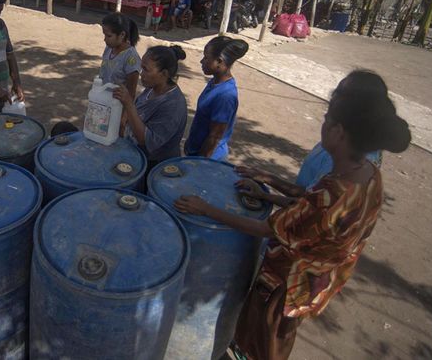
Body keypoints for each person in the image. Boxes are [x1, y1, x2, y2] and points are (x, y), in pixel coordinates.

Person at [174, 70, 411, 360]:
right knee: (274, 334)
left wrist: (205, 208)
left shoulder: (333, 191)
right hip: (319, 277)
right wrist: (266, 194)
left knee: (267, 339)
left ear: (338, 132)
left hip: (288, 284)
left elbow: (268, 229)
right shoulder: (369, 175)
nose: (322, 125)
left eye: (325, 120)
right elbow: (311, 212)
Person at [236, 71, 386, 192]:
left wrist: (267, 187)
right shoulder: (355, 142)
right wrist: (268, 180)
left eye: (339, 95)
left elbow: (309, 203)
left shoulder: (345, 167)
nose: (332, 97)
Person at [113, 45, 188, 170]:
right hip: (136, 156)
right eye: (141, 68)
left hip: (155, 168)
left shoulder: (173, 104)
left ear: (164, 74)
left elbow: (145, 140)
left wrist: (129, 104)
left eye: (146, 69)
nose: (141, 74)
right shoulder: (151, 89)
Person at [184, 36, 249, 161]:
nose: (201, 61)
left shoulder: (225, 96)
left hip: (208, 159)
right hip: (196, 152)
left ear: (219, 61)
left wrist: (198, 164)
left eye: (206, 58)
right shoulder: (214, 82)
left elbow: (214, 137)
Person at [99, 12, 141, 100]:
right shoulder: (109, 49)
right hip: (103, 100)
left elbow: (130, 94)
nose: (105, 39)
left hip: (117, 107)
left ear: (122, 35)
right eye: (104, 35)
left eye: (109, 36)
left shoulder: (131, 58)